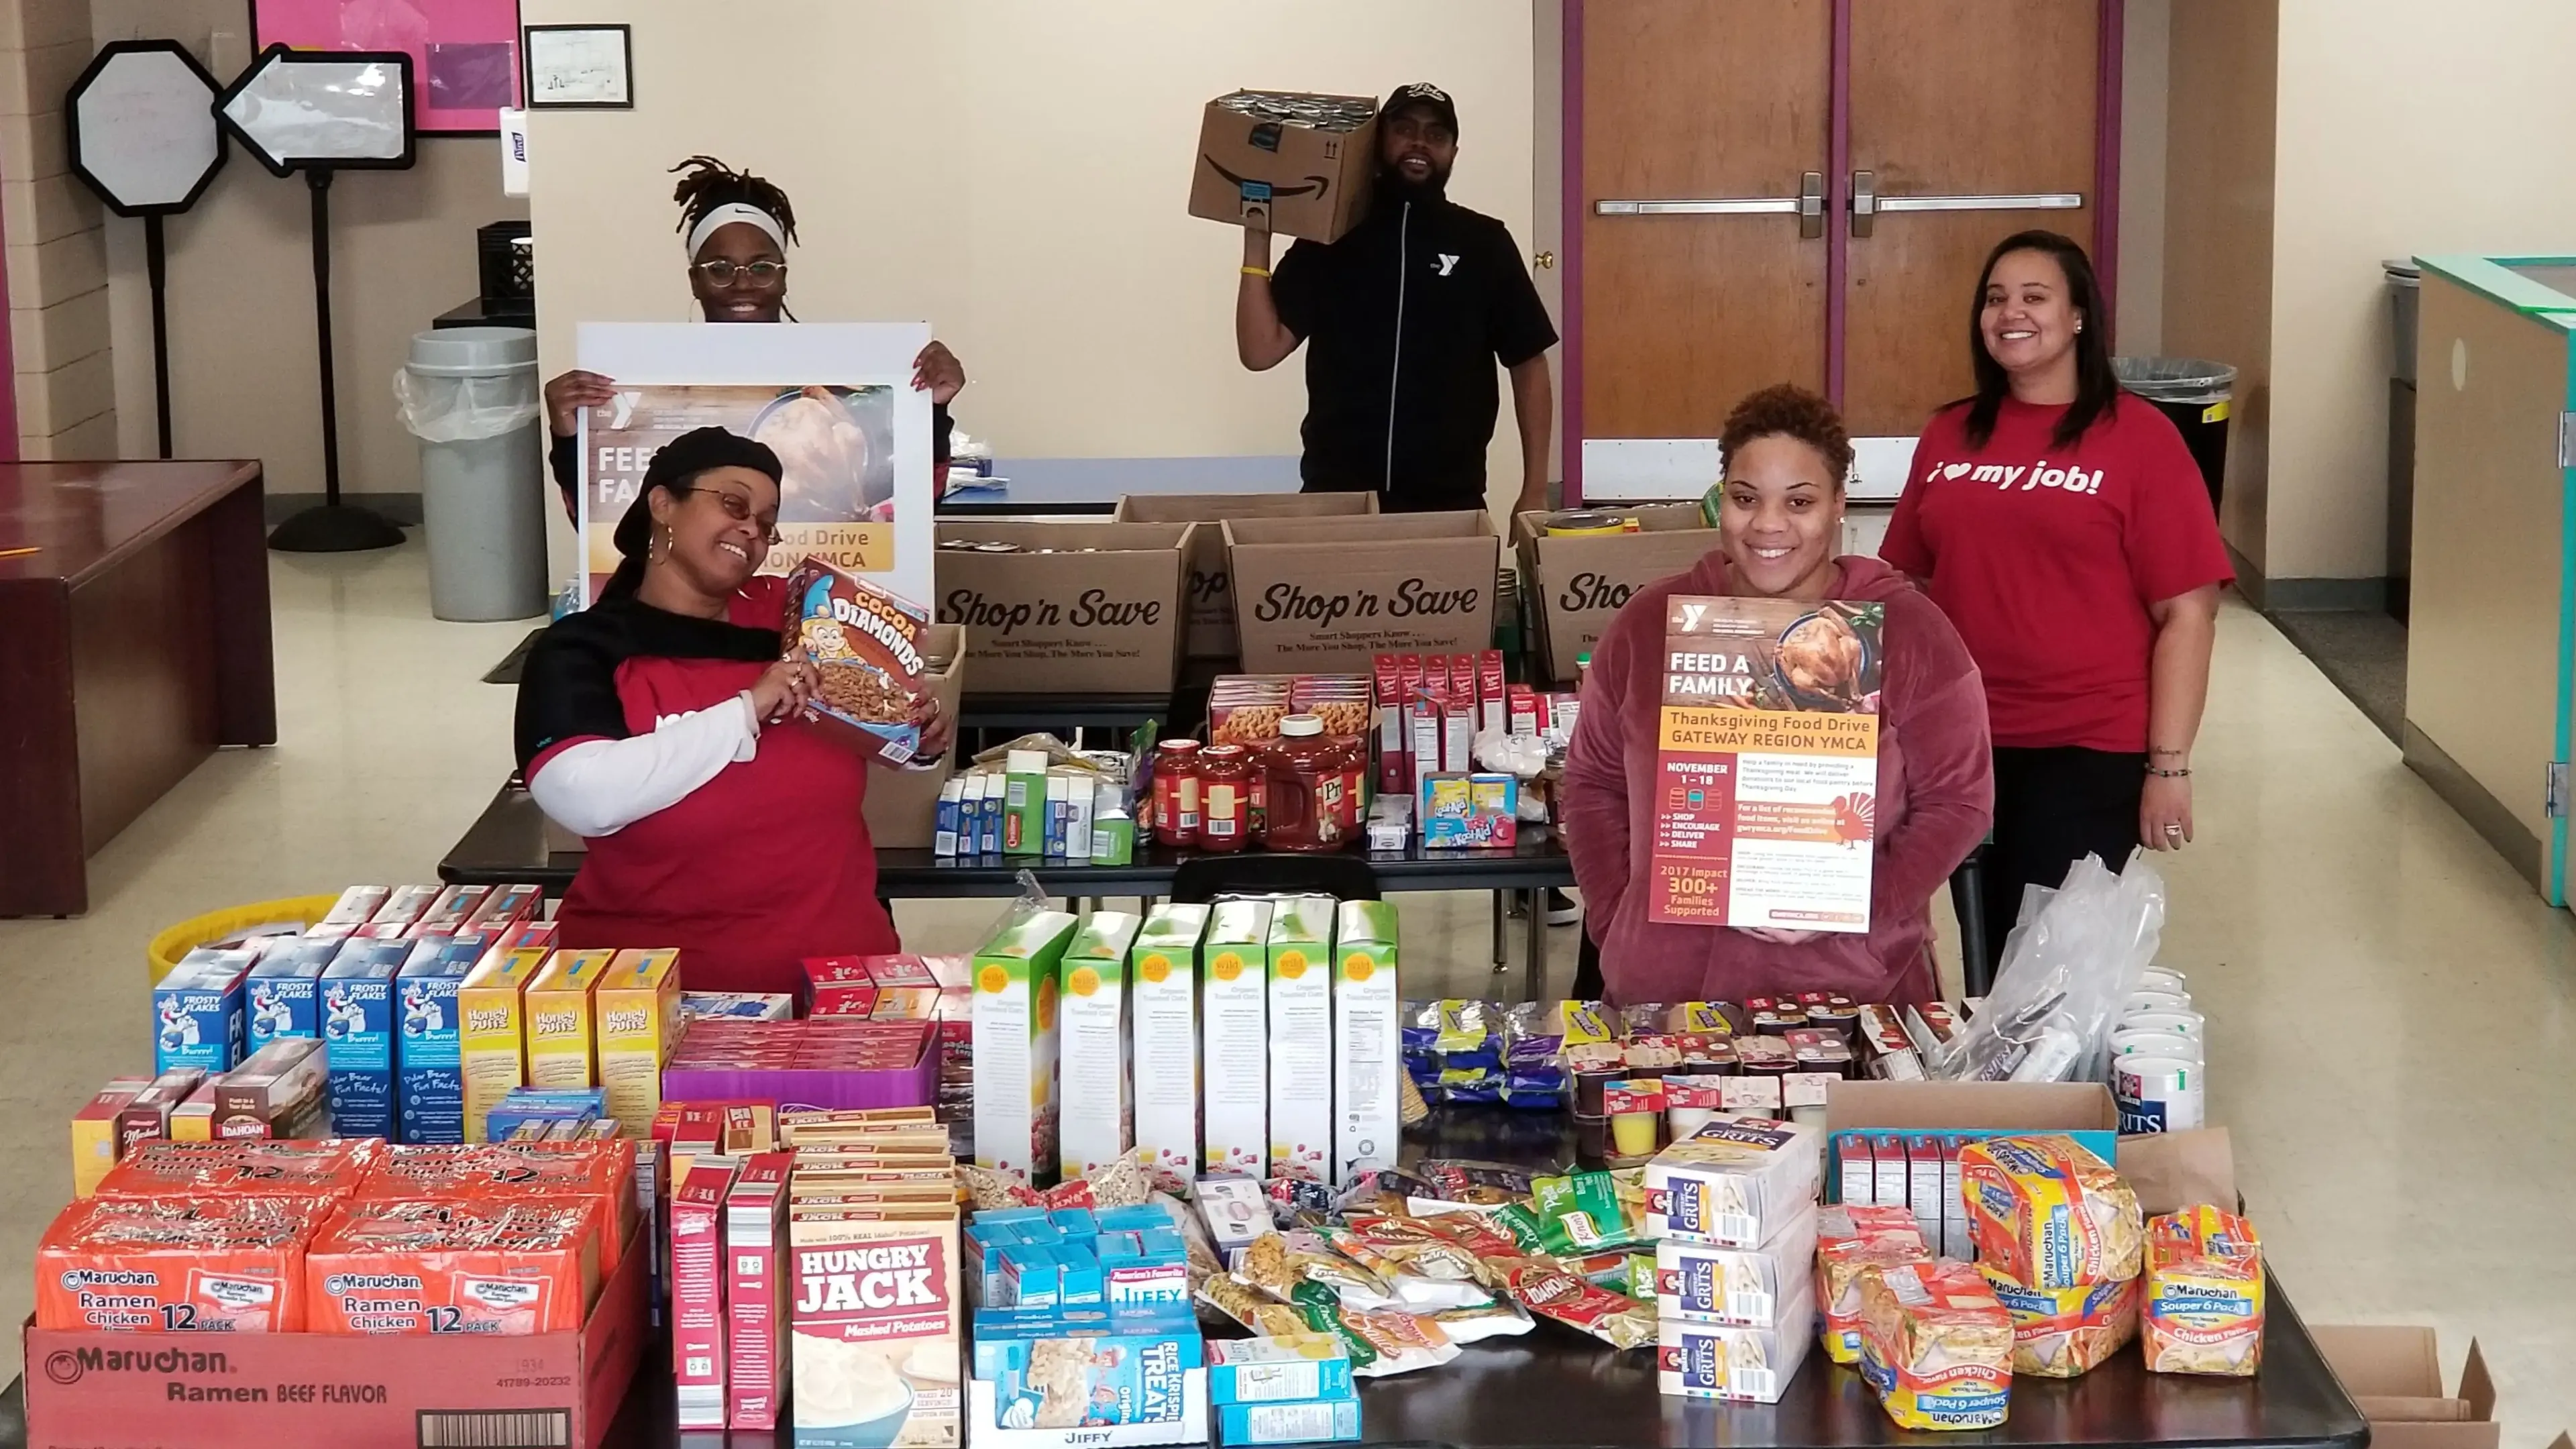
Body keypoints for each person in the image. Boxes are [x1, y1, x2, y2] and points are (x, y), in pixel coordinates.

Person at [1562, 385, 1993, 1005]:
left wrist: (1863, 906)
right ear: (1721, 502)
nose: (1768, 525)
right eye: (1745, 499)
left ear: (1840, 504)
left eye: (1800, 501)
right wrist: (1616, 920)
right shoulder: (1649, 622)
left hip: (1846, 993)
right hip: (1666, 991)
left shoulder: (1913, 633)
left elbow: (1960, 801)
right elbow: (1593, 782)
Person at [1879, 230, 2231, 974]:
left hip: (2085, 743)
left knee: (2046, 963)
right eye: (1995, 298)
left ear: (2079, 318)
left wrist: (2169, 768)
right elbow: (1907, 585)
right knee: (1976, 943)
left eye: (2035, 297)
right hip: (1960, 738)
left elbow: (2188, 614)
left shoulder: (2141, 439)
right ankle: (1992, 1086)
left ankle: (2056, 1092)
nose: (2011, 312)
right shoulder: (1950, 434)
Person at [513, 427, 952, 995]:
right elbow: (583, 797)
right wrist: (746, 710)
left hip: (837, 983)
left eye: (767, 522)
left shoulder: (798, 615)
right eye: (734, 504)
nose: (753, 529)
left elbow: (868, 729)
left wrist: (916, 736)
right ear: (663, 504)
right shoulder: (583, 648)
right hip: (649, 997)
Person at [543, 156, 967, 519]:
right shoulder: (652, 389)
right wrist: (568, 437)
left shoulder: (846, 386)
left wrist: (930, 410)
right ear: (695, 281)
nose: (743, 284)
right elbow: (601, 523)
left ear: (783, 278)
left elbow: (916, 502)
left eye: (762, 268)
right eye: (720, 269)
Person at [1234, 83, 1559, 516]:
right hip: (1336, 498)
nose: (1419, 142)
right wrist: (1257, 237)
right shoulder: (1330, 239)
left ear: (1453, 152)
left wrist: (1535, 490)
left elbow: (1529, 364)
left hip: (1449, 505)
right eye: (1404, 129)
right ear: (1379, 140)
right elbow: (1260, 350)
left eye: (1436, 134)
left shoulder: (1485, 244)